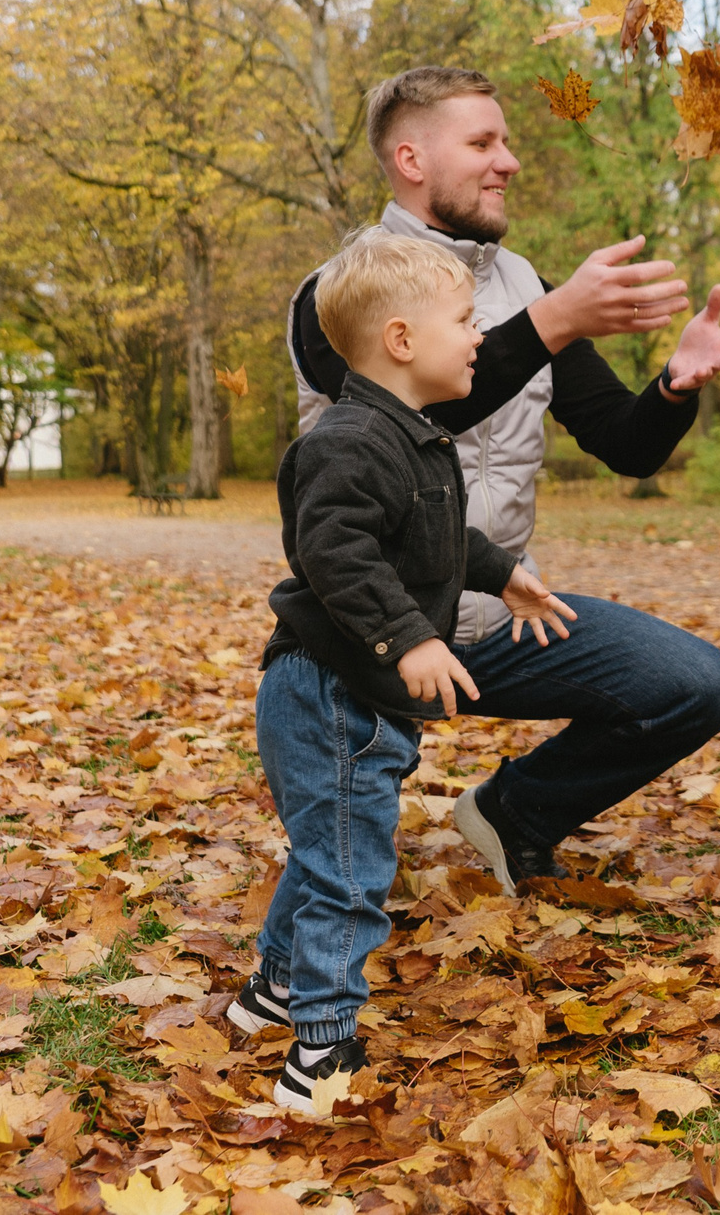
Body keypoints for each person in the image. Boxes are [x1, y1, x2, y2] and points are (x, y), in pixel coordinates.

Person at [276, 65, 720, 889]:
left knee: (693, 684)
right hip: (371, 636)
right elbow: (404, 425)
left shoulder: (523, 284)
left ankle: (517, 810)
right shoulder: (340, 294)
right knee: (345, 884)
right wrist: (556, 319)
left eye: (507, 141)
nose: (510, 160)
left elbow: (625, 444)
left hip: (496, 619)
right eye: (483, 141)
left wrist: (675, 384)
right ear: (412, 159)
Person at [237, 227, 584, 1113]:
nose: (480, 336)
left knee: (328, 853)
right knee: (351, 871)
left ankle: (273, 989)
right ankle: (321, 1053)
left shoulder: (415, 440)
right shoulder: (349, 441)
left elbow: (434, 536)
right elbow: (334, 550)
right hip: (328, 690)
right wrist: (411, 636)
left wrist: (501, 571)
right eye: (466, 320)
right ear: (401, 340)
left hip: (356, 693)